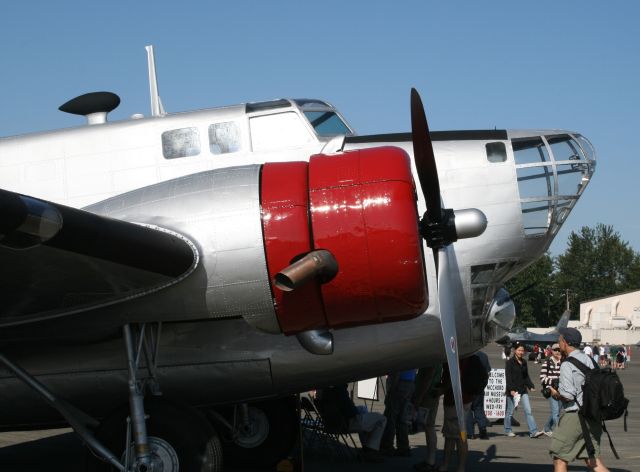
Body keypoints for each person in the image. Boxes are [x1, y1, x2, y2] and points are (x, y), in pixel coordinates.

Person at [548, 328, 609, 472]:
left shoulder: (567, 364)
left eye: (560, 339)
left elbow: (568, 395)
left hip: (575, 416)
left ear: (565, 342)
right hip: (593, 415)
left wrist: (555, 393)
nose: (558, 342)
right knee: (592, 461)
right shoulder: (590, 360)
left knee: (559, 458)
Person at [315, 384, 387, 462]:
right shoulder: (340, 391)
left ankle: (367, 447)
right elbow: (351, 412)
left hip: (330, 423)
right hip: (348, 423)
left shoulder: (324, 392)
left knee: (363, 410)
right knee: (382, 419)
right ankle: (369, 450)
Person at [439, 359, 474, 472]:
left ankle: (448, 465)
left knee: (452, 436)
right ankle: (458, 466)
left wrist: (440, 390)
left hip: (454, 400)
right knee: (459, 435)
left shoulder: (456, 356)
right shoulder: (471, 356)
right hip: (466, 398)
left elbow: (453, 378)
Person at [504, 343, 544, 438]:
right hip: (513, 391)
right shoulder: (510, 362)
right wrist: (511, 390)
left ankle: (533, 431)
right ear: (515, 351)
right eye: (519, 350)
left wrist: (531, 386)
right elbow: (508, 377)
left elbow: (526, 376)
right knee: (510, 412)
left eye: (522, 351)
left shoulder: (524, 362)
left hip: (523, 390)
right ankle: (508, 430)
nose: (521, 352)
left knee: (528, 410)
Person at [411, 365, 443, 472]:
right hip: (429, 394)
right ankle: (430, 460)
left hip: (428, 396)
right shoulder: (434, 357)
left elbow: (427, 379)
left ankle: (430, 461)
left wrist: (418, 398)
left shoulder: (432, 358)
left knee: (429, 426)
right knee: (428, 426)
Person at [381, 369, 416, 456]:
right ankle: (403, 447)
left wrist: (391, 390)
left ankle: (387, 447)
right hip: (410, 382)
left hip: (398, 383)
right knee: (402, 418)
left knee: (390, 417)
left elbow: (397, 369)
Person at [466, 351, 491, 439]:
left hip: (467, 387)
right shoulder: (483, 355)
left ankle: (469, 433)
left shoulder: (465, 354)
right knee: (479, 409)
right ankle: (483, 430)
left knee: (467, 410)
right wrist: (483, 385)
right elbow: (488, 373)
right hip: (479, 388)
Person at [540, 343, 562, 436]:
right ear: (552, 351)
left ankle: (546, 428)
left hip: (561, 391)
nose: (557, 352)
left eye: (559, 350)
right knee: (556, 411)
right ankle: (558, 432)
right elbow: (542, 378)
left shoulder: (564, 362)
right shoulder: (547, 362)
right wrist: (553, 382)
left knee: (556, 411)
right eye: (555, 350)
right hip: (551, 390)